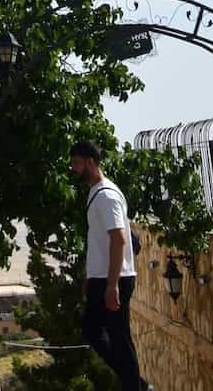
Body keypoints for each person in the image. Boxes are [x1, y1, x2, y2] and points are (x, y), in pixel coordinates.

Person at [69, 138, 150, 391]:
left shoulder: (107, 196)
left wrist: (112, 284)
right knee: (95, 331)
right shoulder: (96, 192)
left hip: (114, 279)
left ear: (90, 163)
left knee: (118, 339)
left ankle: (136, 386)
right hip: (102, 278)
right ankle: (136, 383)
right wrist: (90, 277)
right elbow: (100, 242)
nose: (73, 169)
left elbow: (119, 238)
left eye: (77, 164)